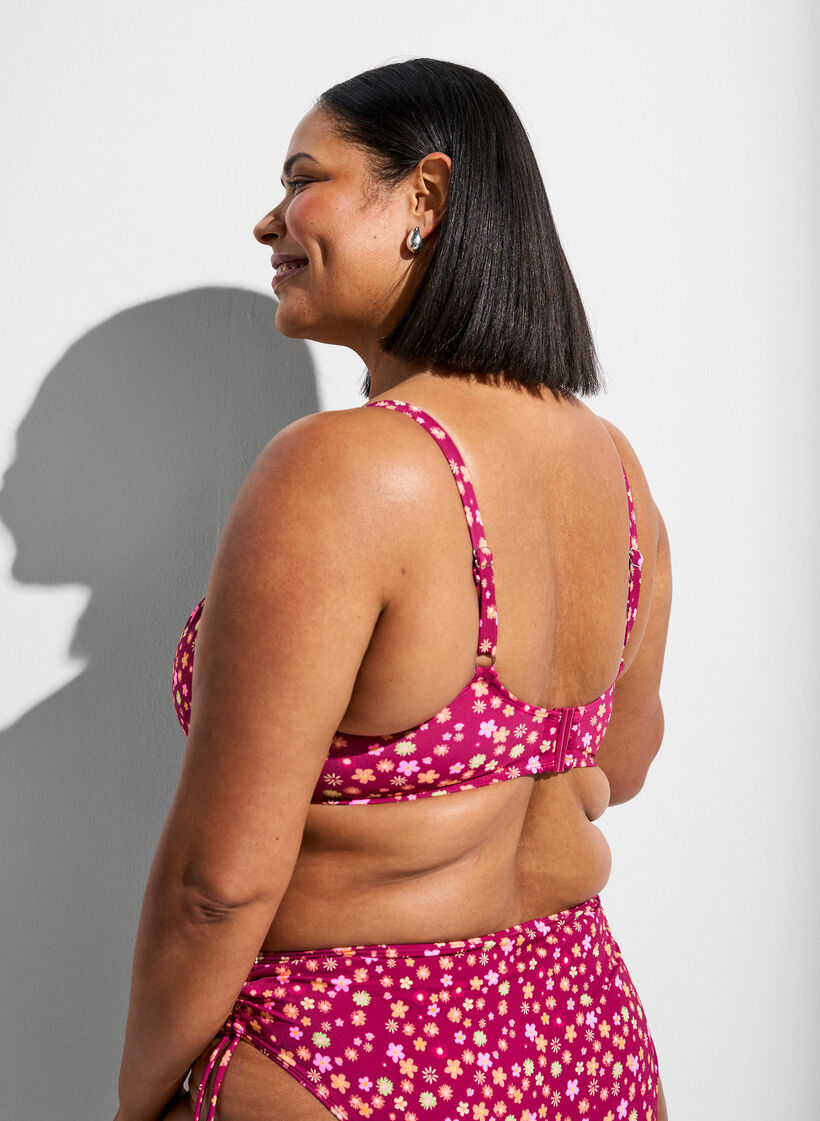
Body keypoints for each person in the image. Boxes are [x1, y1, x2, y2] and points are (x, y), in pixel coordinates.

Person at [114, 58, 672, 1121]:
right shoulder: (613, 467)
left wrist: (137, 1101)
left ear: (424, 196)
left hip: (357, 1054)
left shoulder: (342, 468)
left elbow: (215, 886)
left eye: (301, 180)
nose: (268, 222)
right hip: (583, 1040)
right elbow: (624, 758)